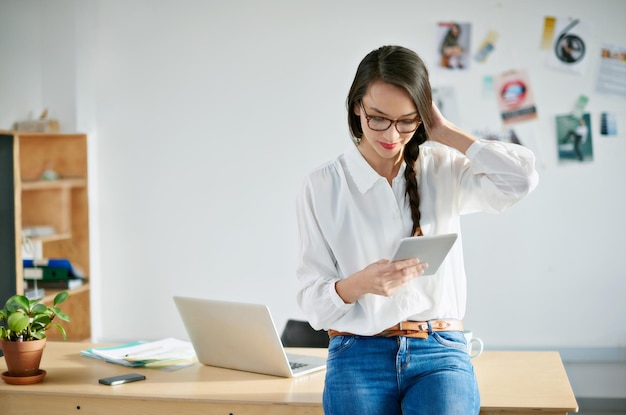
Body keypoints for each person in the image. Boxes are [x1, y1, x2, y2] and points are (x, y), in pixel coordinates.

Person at [295, 45, 538, 415]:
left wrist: (444, 131)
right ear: (357, 106)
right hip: (357, 351)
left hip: (440, 350)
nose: (392, 134)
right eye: (378, 118)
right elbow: (312, 303)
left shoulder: (443, 166)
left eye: (407, 120)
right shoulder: (323, 186)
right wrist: (360, 283)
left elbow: (520, 180)